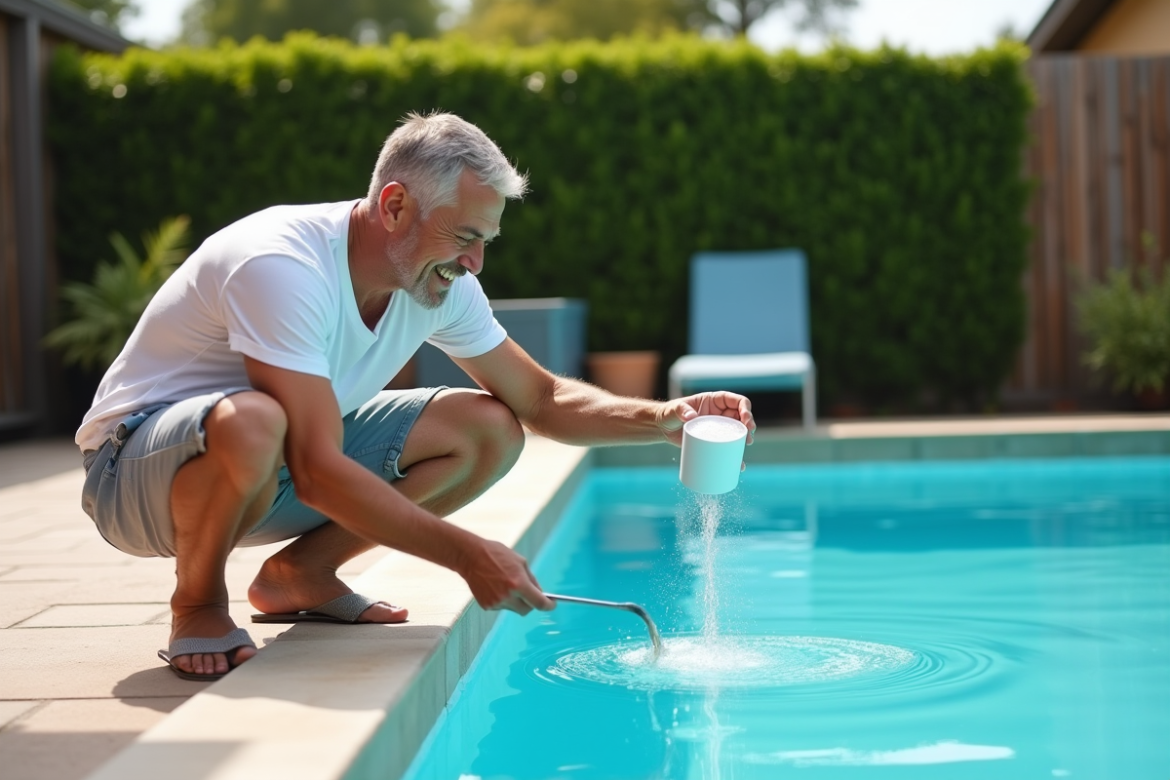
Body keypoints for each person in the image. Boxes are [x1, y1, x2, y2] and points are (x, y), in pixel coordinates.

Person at [76, 111, 755, 681]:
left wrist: (663, 417)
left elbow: (540, 400)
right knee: (258, 422)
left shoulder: (437, 283)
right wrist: (466, 554)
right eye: (465, 238)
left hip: (270, 466)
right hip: (134, 475)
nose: (475, 264)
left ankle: (300, 575)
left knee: (489, 427)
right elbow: (315, 469)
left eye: (485, 242)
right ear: (396, 205)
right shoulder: (281, 265)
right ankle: (196, 602)